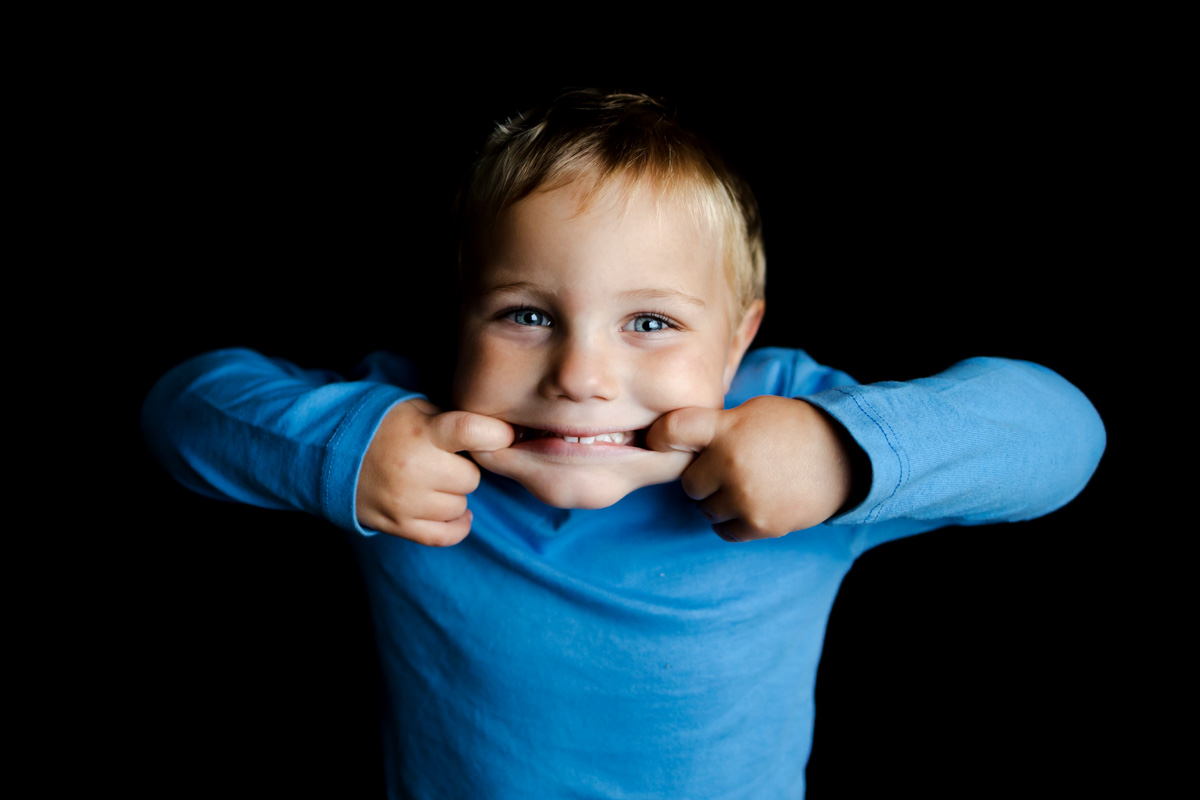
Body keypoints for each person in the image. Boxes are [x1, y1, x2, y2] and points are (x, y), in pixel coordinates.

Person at [142, 90, 1106, 798]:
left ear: (738, 341)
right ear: (457, 326)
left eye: (650, 323)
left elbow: (1063, 432)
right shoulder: (407, 436)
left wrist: (844, 451)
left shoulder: (784, 432)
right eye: (525, 315)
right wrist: (341, 448)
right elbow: (183, 406)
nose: (581, 376)